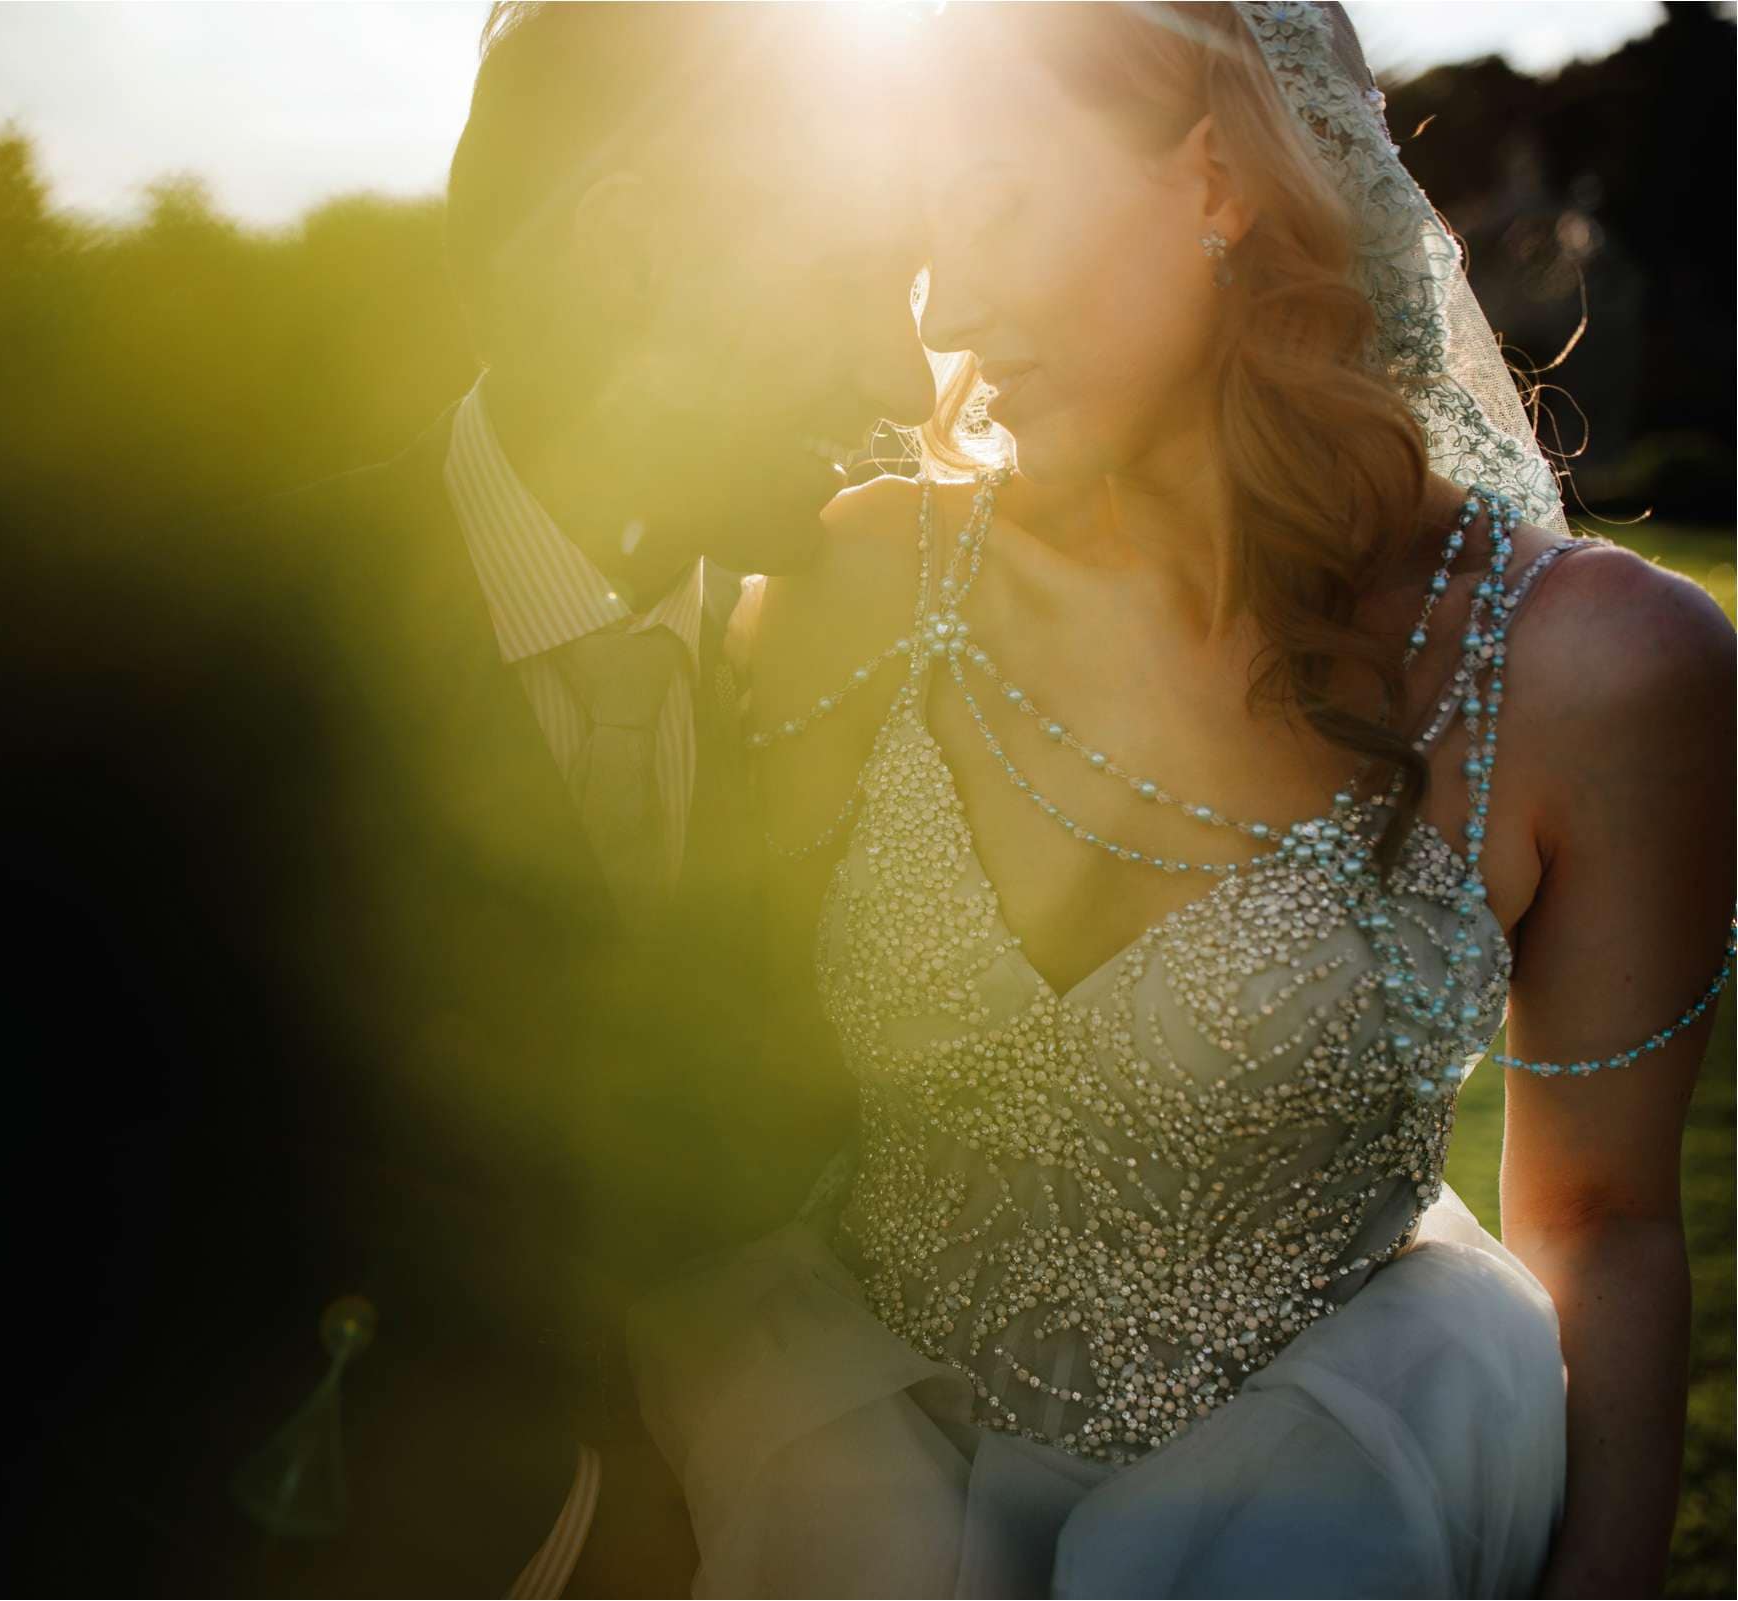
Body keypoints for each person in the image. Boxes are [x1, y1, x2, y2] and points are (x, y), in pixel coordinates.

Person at [631, 3, 1736, 1595]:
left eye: (997, 201)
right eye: (923, 226)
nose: (944, 298)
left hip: (1344, 1493)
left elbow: (1612, 1222)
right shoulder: (852, 585)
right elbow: (698, 1112)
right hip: (845, 1478)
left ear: (1219, 178)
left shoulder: (1595, 670)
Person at [163, 5, 943, 1594]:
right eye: (849, 282)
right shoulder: (223, 677)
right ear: (632, 251)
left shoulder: (866, 658)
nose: (899, 370)